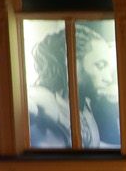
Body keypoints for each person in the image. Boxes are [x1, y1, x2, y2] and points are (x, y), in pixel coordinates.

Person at [27, 21, 120, 149]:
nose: (109, 79)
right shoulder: (46, 98)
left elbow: (92, 146)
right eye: (100, 66)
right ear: (70, 63)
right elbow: (31, 101)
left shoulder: (84, 104)